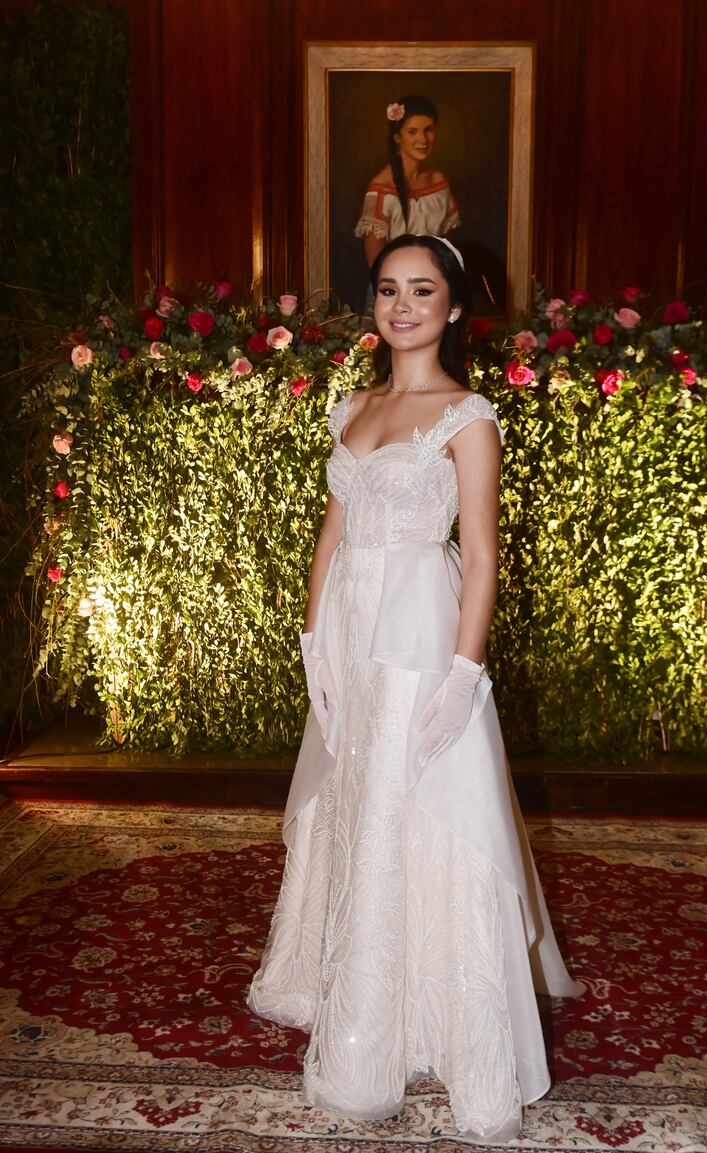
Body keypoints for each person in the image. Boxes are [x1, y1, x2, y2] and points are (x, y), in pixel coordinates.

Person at [248, 234, 583, 1142]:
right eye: (389, 289)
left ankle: (430, 1023)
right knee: (357, 798)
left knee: (416, 804)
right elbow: (331, 532)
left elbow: (482, 553)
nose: (403, 305)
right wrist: (313, 640)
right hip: (351, 632)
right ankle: (352, 983)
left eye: (422, 290)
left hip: (420, 635)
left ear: (454, 306)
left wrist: (465, 673)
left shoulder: (468, 415)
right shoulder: (351, 405)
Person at [355, 96, 460, 270]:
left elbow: (448, 250)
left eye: (428, 130)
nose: (423, 140)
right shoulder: (381, 189)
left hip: (435, 278)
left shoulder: (439, 182)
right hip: (394, 282)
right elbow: (376, 265)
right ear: (397, 137)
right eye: (412, 132)